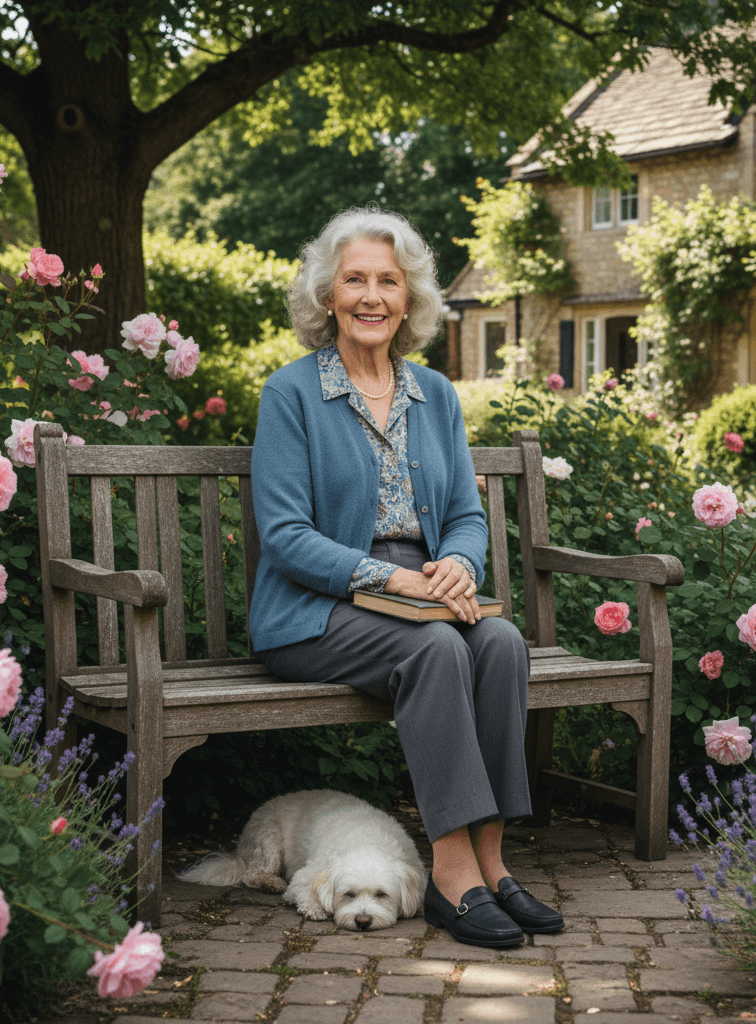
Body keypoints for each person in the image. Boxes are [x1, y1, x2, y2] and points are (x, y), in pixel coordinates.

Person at [248, 207, 563, 948]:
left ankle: (493, 862)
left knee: (502, 644)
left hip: (420, 591)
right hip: (312, 611)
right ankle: (452, 874)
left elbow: (463, 513)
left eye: (388, 281)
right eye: (354, 279)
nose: (371, 296)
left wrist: (457, 563)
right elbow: (287, 538)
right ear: (327, 296)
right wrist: (393, 583)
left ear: (409, 299)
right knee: (438, 650)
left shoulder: (435, 394)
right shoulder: (291, 394)